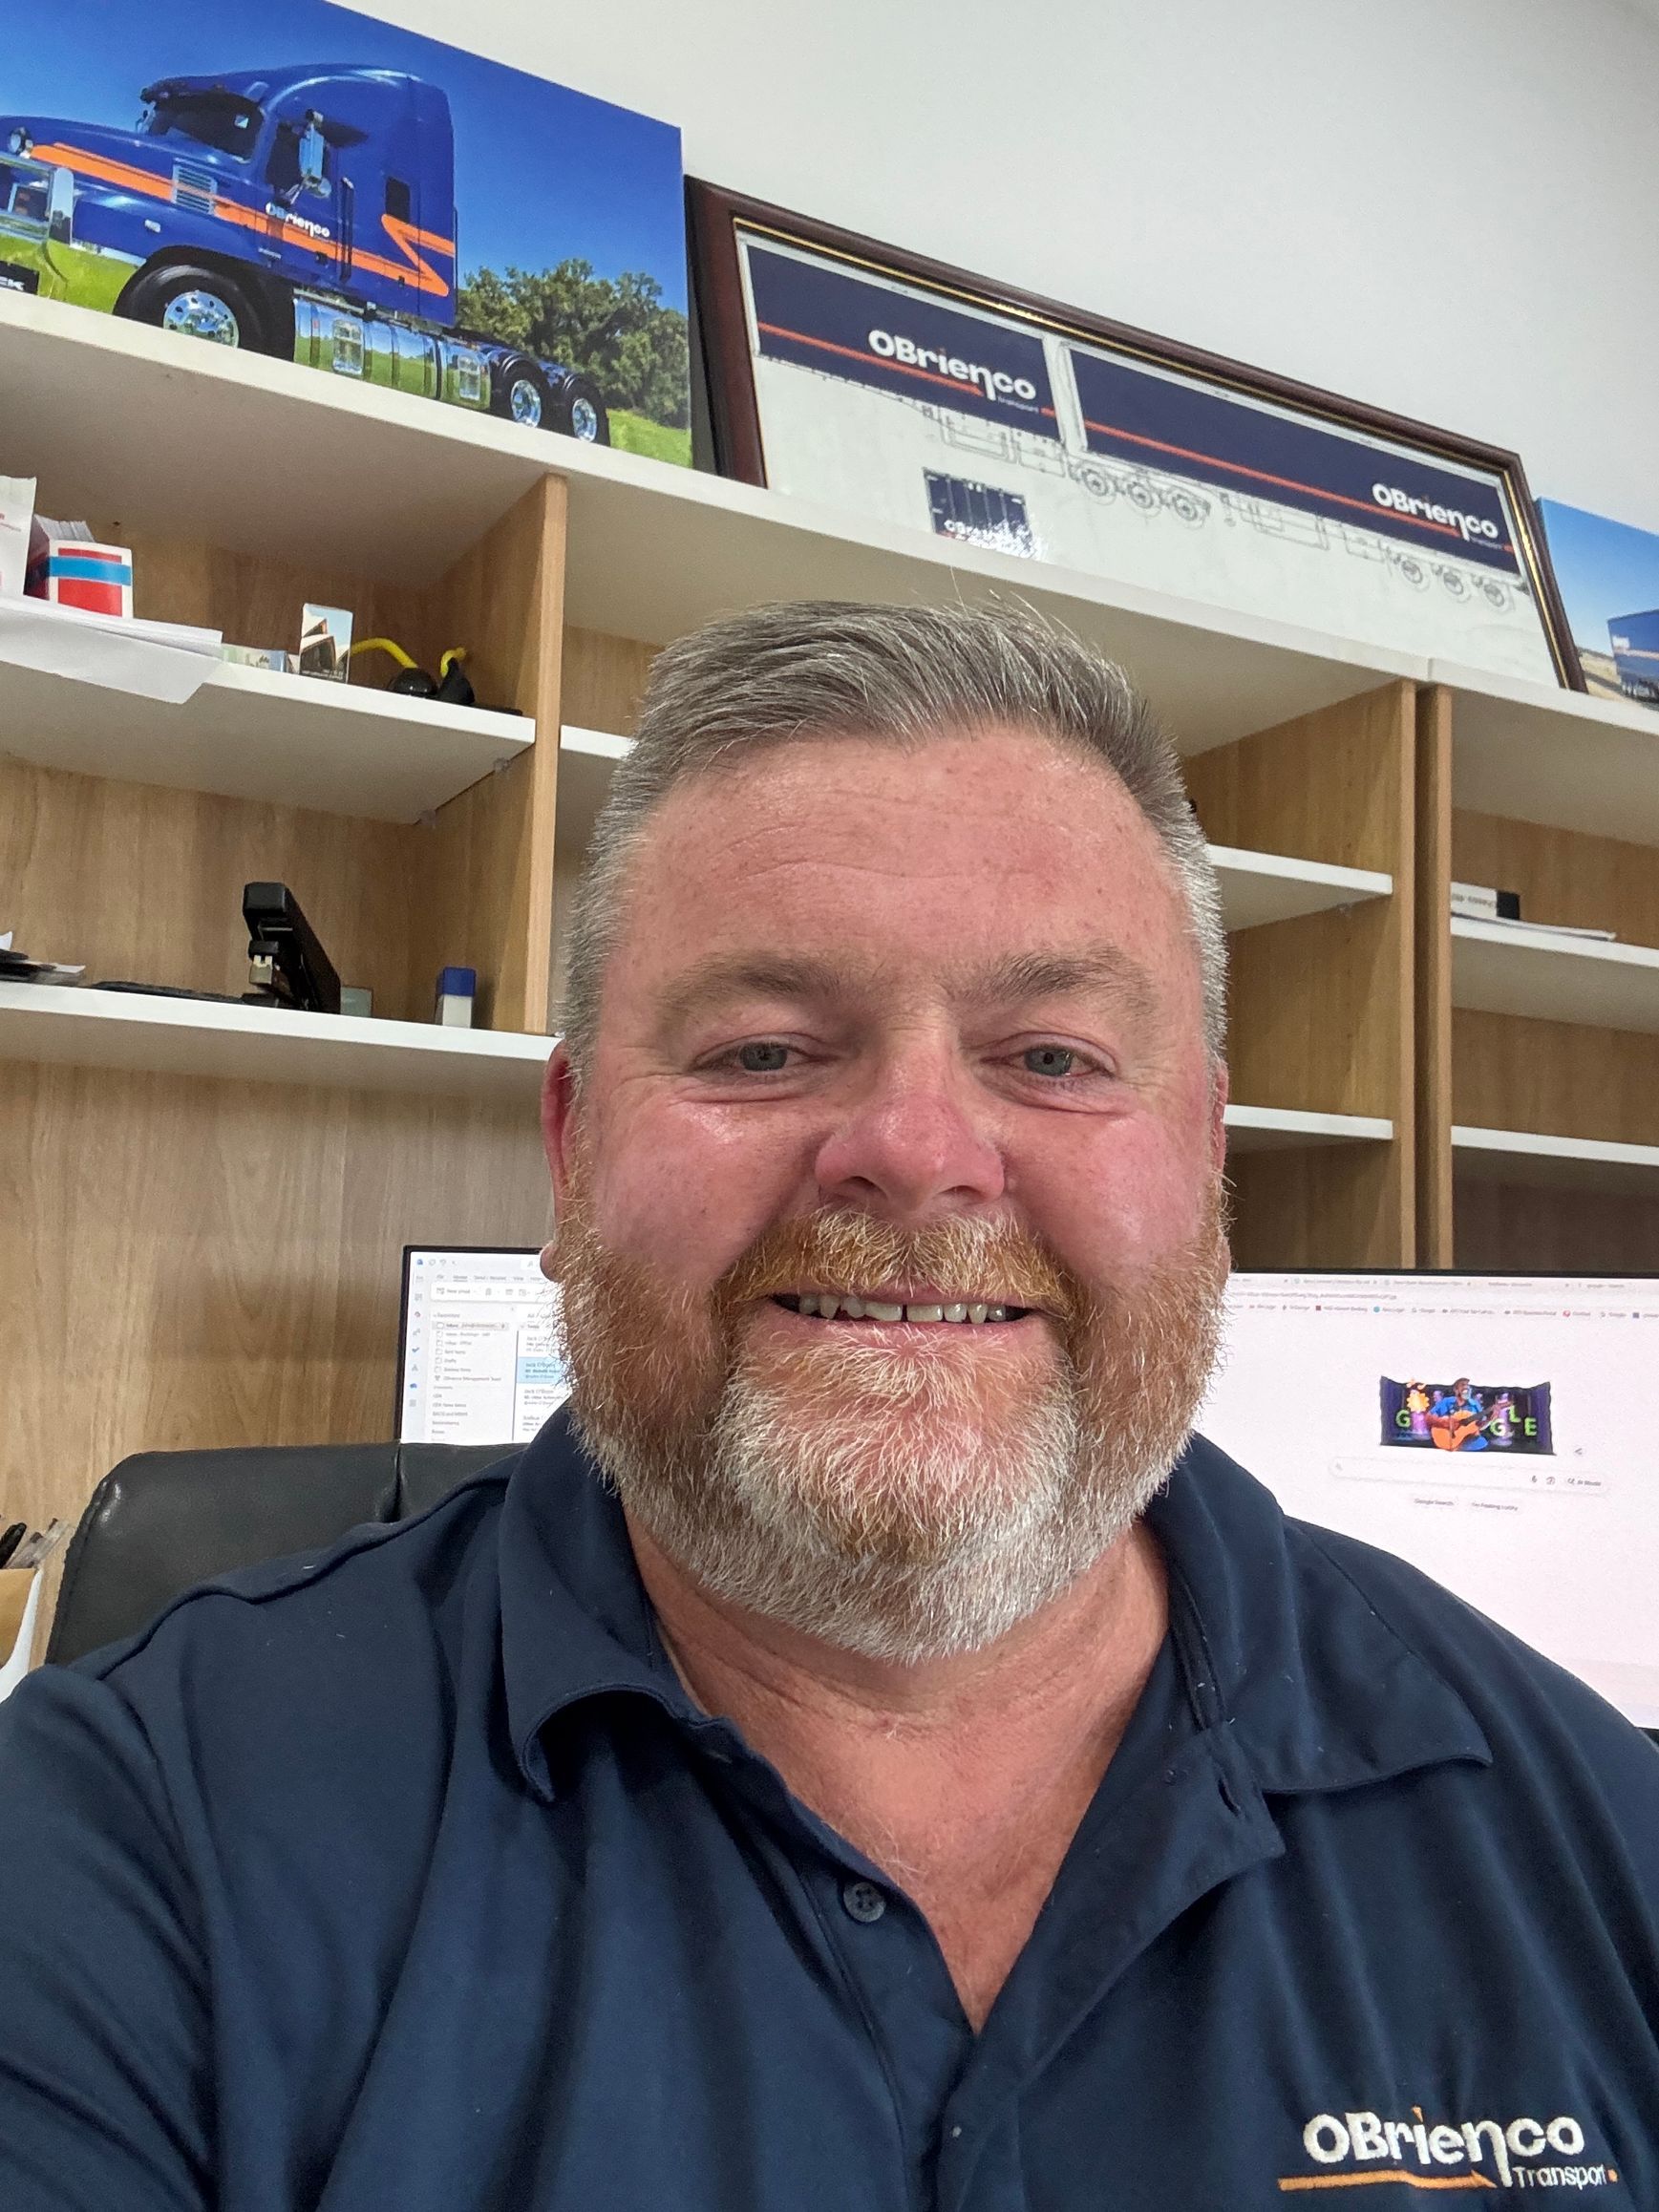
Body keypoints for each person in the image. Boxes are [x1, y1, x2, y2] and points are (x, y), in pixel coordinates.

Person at [1, 602, 1655, 2209]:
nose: (918, 1152)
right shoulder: (131, 1833)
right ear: (572, 1151)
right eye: (764, 1050)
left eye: (1056, 1056)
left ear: (1206, 1151)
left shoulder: (1597, 1836)